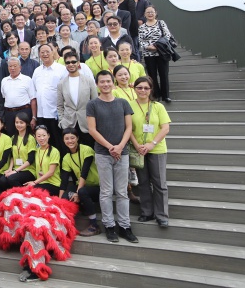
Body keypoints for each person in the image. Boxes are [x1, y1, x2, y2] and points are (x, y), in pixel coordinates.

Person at [86, 70, 138, 244]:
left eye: (108, 81)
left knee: (122, 192)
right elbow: (92, 129)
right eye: (102, 82)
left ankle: (125, 226)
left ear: (113, 82)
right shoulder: (92, 104)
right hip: (103, 153)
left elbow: (129, 127)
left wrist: (120, 146)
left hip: (122, 153)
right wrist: (110, 147)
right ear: (97, 84)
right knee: (106, 191)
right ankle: (109, 225)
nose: (106, 84)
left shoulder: (123, 103)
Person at [130, 76, 171, 227]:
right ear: (134, 89)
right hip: (139, 149)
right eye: (139, 87)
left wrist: (151, 144)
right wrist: (137, 145)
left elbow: (165, 128)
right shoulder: (129, 106)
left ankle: (162, 215)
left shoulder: (158, 106)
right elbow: (128, 128)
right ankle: (147, 212)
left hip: (157, 149)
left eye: (146, 88)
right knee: (143, 182)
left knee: (159, 183)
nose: (142, 90)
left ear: (151, 90)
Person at [59, 128, 101, 236]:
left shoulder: (86, 149)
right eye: (67, 139)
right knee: (65, 196)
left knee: (82, 192)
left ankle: (94, 225)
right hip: (82, 187)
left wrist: (77, 192)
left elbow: (84, 172)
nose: (70, 141)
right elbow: (64, 181)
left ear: (77, 138)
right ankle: (64, 225)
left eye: (72, 138)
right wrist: (59, 202)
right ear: (63, 141)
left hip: (98, 187)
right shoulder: (66, 158)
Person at [57, 51, 99, 148]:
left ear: (78, 63)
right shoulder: (61, 84)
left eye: (73, 62)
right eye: (68, 62)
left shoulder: (89, 81)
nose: (71, 64)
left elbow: (95, 102)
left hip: (86, 123)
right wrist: (62, 121)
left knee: (89, 150)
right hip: (69, 123)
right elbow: (59, 105)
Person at [31, 44, 67, 153]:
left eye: (47, 51)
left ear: (53, 52)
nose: (45, 54)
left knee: (58, 142)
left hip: (56, 114)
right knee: (43, 143)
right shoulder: (37, 71)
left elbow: (65, 92)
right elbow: (34, 93)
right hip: (41, 113)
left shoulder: (61, 69)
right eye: (42, 52)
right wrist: (34, 116)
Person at [139, 6, 173, 103]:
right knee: (152, 75)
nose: (150, 14)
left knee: (164, 74)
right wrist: (148, 47)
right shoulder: (142, 27)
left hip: (162, 52)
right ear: (145, 14)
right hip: (148, 54)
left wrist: (157, 46)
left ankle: (166, 95)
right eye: (148, 12)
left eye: (152, 12)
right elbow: (140, 40)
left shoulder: (161, 23)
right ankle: (156, 94)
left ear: (155, 13)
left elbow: (167, 35)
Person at [0, 112, 37, 192]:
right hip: (16, 169)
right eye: (17, 122)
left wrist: (15, 171)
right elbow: (12, 156)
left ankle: (23, 195)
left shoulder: (31, 138)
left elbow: (30, 160)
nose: (19, 125)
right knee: (2, 181)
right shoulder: (13, 138)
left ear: (26, 124)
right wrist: (10, 169)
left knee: (12, 179)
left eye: (21, 122)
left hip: (28, 170)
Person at [0, 57, 36, 138]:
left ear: (20, 67)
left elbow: (33, 99)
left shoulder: (27, 79)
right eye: (10, 66)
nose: (12, 68)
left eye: (15, 66)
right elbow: (4, 97)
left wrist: (34, 117)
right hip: (9, 113)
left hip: (24, 111)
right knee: (11, 136)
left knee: (25, 136)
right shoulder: (4, 80)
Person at [22, 125, 61, 197]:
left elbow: (51, 172)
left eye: (44, 135)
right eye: (39, 136)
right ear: (35, 137)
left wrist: (34, 182)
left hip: (53, 184)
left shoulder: (54, 151)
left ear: (48, 136)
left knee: (31, 191)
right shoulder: (36, 151)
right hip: (40, 183)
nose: (42, 138)